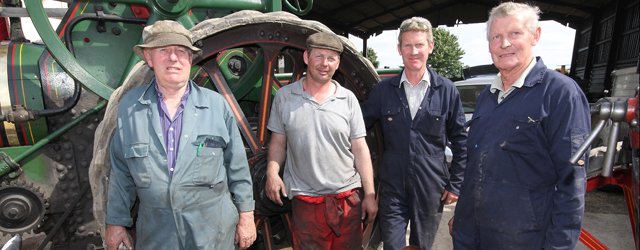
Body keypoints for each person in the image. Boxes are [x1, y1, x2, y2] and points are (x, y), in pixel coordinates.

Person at [104, 20, 256, 250]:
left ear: (190, 59)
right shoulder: (130, 107)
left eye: (181, 52)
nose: (173, 58)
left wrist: (246, 217)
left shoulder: (216, 106)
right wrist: (115, 222)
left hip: (212, 231)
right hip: (157, 232)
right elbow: (121, 171)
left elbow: (237, 166)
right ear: (149, 58)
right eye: (164, 51)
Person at [451, 2, 591, 249]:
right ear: (489, 45)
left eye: (514, 33)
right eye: (496, 37)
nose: (504, 44)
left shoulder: (559, 94)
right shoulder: (487, 97)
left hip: (522, 240)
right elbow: (477, 167)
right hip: (470, 235)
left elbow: (571, 185)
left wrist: (559, 246)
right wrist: (462, 215)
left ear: (535, 35)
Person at [264, 32, 378, 249]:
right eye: (319, 56)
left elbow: (360, 148)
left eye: (331, 58)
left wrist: (370, 194)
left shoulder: (348, 99)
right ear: (307, 57)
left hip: (347, 200)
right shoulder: (285, 97)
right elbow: (278, 142)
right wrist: (271, 173)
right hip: (306, 202)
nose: (325, 64)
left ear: (338, 63)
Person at [362, 17, 467, 250]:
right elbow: (358, 129)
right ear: (399, 49)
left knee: (423, 246)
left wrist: (455, 184)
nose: (413, 51)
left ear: (430, 47)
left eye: (419, 45)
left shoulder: (447, 91)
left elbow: (461, 141)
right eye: (407, 45)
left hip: (431, 187)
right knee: (392, 245)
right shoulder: (383, 91)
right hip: (393, 187)